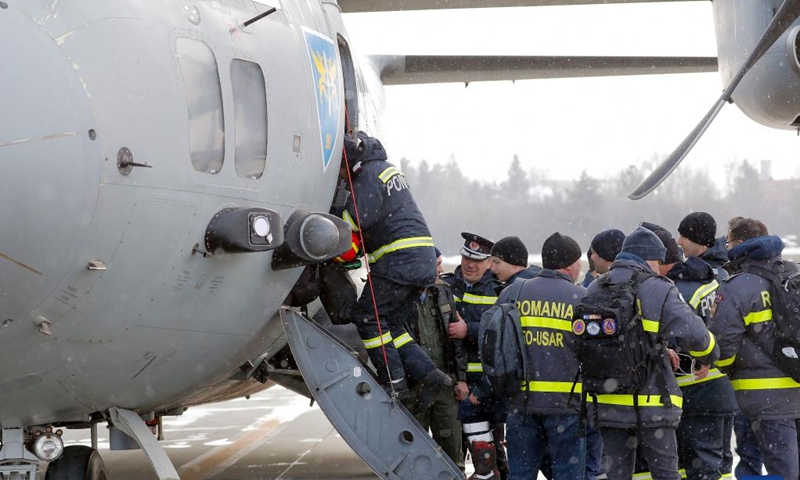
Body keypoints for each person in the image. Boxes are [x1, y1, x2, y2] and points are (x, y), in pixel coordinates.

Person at [586, 227, 719, 480]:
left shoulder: (596, 286)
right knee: (665, 472)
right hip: (652, 401)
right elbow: (696, 335)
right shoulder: (656, 287)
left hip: (607, 400)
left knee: (617, 474)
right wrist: (710, 353)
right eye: (658, 262)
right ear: (650, 260)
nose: (659, 268)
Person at [333, 131, 451, 408]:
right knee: (392, 324)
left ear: (348, 162)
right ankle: (430, 375)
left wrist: (333, 217)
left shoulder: (368, 175)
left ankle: (394, 383)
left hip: (398, 261)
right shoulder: (386, 170)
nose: (340, 177)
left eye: (339, 170)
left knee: (366, 317)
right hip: (419, 260)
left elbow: (356, 218)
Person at [709, 218, 800, 480]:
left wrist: (727, 368)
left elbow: (722, 346)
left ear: (738, 244)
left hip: (764, 400)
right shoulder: (794, 274)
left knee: (782, 473)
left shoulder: (737, 286)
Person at [645, 225, 738, 480]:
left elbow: (687, 337)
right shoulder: (716, 280)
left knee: (698, 466)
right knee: (720, 465)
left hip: (694, 390)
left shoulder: (678, 291)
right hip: (722, 389)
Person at [498, 232, 587, 480]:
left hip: (520, 402)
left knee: (521, 474)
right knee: (567, 474)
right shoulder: (582, 299)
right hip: (566, 405)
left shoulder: (511, 294)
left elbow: (495, 348)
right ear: (571, 265)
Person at [443, 232, 505, 480]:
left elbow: (501, 333)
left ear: (489, 263)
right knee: (452, 449)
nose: (470, 264)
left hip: (487, 386)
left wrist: (469, 330)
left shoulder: (499, 292)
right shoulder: (446, 287)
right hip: (452, 382)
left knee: (491, 452)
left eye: (477, 260)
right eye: (467, 256)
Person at [406, 248, 467, 469]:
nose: (441, 270)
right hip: (414, 387)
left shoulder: (443, 292)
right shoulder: (399, 297)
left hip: (445, 383)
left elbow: (455, 342)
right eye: (436, 264)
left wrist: (460, 379)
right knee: (414, 454)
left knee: (452, 453)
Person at [677, 212, 729, 280]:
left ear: (699, 239)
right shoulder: (690, 270)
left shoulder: (718, 278)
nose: (678, 242)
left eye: (683, 236)